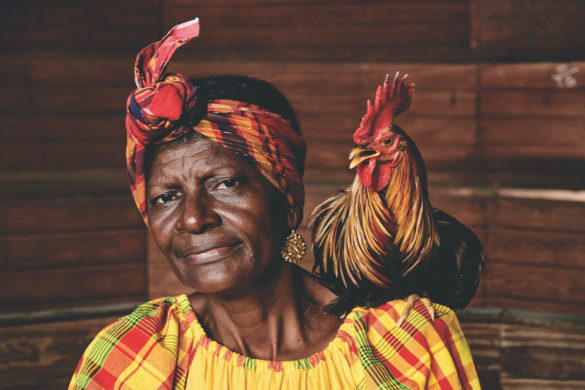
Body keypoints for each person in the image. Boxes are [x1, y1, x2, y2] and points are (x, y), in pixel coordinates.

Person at [69, 19, 480, 389]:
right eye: (165, 197)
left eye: (226, 183)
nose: (193, 218)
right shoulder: (135, 355)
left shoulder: (407, 340)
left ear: (287, 200)